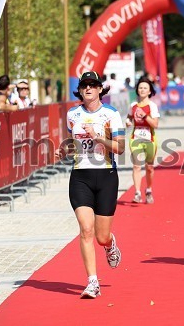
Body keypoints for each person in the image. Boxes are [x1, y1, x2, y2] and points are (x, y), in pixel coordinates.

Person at [55, 71, 125, 298]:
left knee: (100, 236)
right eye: (84, 85)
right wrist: (64, 149)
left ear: (99, 89)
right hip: (80, 176)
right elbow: (72, 142)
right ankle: (92, 282)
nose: (88, 88)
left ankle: (110, 243)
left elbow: (120, 148)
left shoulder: (111, 114)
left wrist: (97, 137)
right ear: (80, 90)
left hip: (106, 176)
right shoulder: (72, 114)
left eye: (92, 85)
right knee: (85, 230)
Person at [125, 76, 160, 204]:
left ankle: (149, 189)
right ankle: (137, 193)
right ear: (137, 90)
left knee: (149, 167)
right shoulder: (133, 105)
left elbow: (155, 124)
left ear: (150, 91)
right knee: (136, 166)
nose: (142, 90)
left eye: (145, 88)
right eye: (140, 87)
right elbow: (129, 117)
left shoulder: (152, 106)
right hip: (135, 138)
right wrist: (128, 122)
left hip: (150, 139)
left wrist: (145, 116)